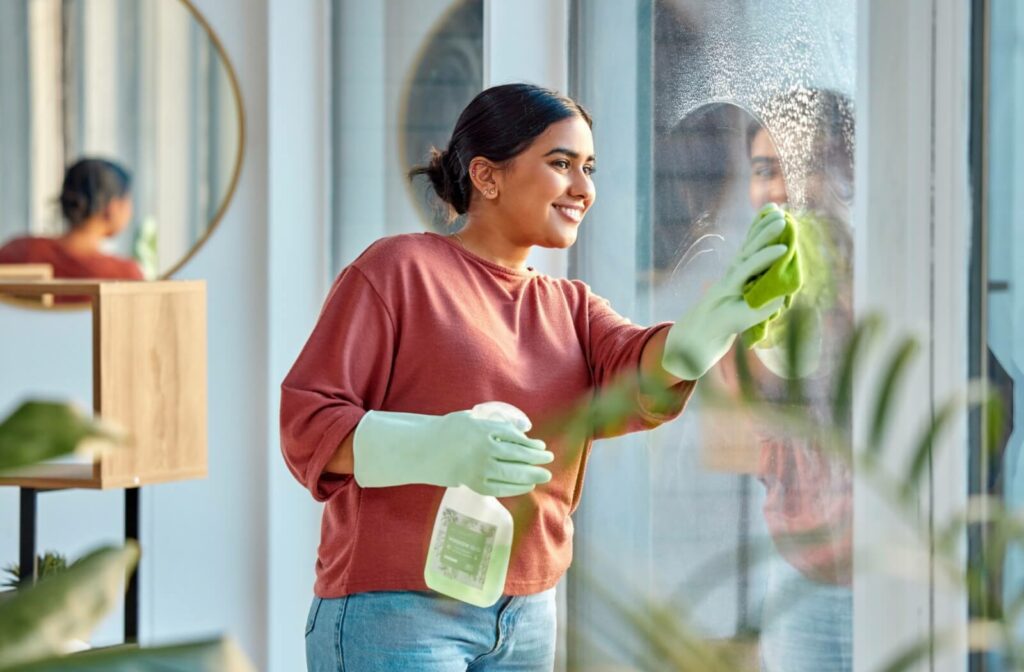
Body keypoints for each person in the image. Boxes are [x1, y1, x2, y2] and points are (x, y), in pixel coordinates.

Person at [280, 83, 791, 671]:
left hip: (526, 616)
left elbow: (638, 369)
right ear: (487, 176)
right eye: (561, 164)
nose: (584, 189)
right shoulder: (398, 270)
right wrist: (434, 448)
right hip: (397, 615)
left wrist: (704, 332)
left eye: (589, 168)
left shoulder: (570, 307)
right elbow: (307, 424)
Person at [733, 89, 855, 672]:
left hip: (885, 572)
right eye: (764, 170)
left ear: (842, 169)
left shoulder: (892, 275)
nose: (779, 188)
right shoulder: (767, 282)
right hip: (795, 566)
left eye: (803, 165)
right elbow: (757, 405)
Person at [0, 158, 143, 285]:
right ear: (112, 208)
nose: (130, 213)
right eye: (128, 202)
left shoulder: (17, 253)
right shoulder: (124, 277)